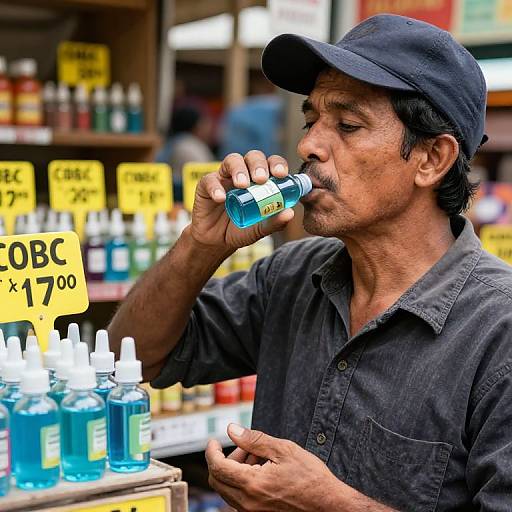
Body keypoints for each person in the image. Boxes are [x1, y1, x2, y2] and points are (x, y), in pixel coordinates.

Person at [108, 14, 512, 511]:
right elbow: (133, 355)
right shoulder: (293, 276)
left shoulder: (498, 330)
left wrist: (329, 505)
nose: (307, 146)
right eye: (310, 120)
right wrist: (201, 245)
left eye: (347, 124)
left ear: (431, 159)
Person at [155, 103, 214, 202]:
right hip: (187, 202)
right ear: (197, 125)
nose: (209, 127)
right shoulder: (190, 147)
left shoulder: (172, 143)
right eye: (205, 123)